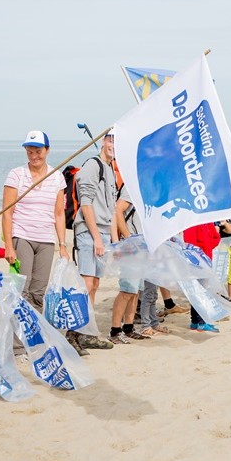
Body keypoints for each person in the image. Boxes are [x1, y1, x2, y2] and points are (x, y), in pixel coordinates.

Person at [3, 131, 70, 310]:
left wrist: (62, 245)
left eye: (38, 151)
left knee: (38, 293)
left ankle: (35, 335)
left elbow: (59, 214)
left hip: (46, 240)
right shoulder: (16, 175)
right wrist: (8, 245)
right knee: (22, 291)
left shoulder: (57, 177)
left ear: (47, 150)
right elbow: (7, 213)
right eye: (30, 151)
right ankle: (18, 338)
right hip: (22, 236)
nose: (34, 156)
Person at [72, 131, 118, 351]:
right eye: (111, 140)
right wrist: (97, 237)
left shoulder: (110, 169)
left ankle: (86, 331)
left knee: (95, 284)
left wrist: (112, 240)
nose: (113, 145)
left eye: (117, 142)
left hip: (103, 232)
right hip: (90, 232)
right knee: (86, 283)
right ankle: (75, 332)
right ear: (103, 141)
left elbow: (111, 209)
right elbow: (86, 203)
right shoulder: (93, 165)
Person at [107, 178, 149, 344]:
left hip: (142, 247)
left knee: (136, 291)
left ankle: (129, 327)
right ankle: (115, 330)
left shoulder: (146, 189)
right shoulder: (132, 186)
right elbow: (117, 211)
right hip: (131, 247)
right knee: (127, 290)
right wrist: (128, 239)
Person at [182, 223, 220, 332]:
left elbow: (215, 239)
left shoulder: (207, 221)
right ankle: (201, 322)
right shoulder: (194, 222)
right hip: (197, 261)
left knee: (200, 291)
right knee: (200, 292)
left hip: (205, 259)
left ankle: (195, 321)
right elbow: (190, 244)